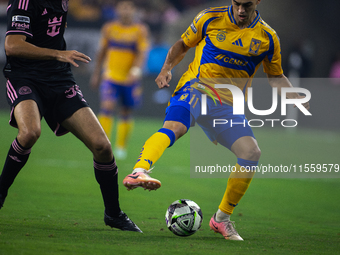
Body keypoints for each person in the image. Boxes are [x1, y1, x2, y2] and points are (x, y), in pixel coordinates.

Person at [122, 0, 310, 240]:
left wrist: (294, 96)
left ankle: (221, 219)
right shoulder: (210, 17)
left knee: (251, 153)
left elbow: (276, 76)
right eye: (237, 3)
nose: (241, 9)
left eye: (247, 5)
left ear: (258, 2)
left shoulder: (268, 37)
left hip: (227, 105)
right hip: (197, 88)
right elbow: (183, 44)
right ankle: (139, 171)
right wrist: (166, 67)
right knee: (175, 127)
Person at [0, 0, 141, 233]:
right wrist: (57, 53)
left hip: (59, 80)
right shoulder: (25, 2)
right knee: (30, 132)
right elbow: (12, 45)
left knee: (102, 146)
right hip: (25, 77)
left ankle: (114, 214)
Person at [90, 0, 150, 160]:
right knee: (107, 107)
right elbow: (101, 52)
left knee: (126, 111)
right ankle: (104, 144)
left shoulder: (140, 30)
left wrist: (136, 71)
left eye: (129, 7)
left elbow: (142, 53)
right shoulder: (109, 28)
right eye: (122, 7)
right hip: (110, 76)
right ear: (117, 10)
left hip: (130, 79)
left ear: (134, 10)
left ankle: (121, 147)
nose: (125, 10)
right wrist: (96, 73)